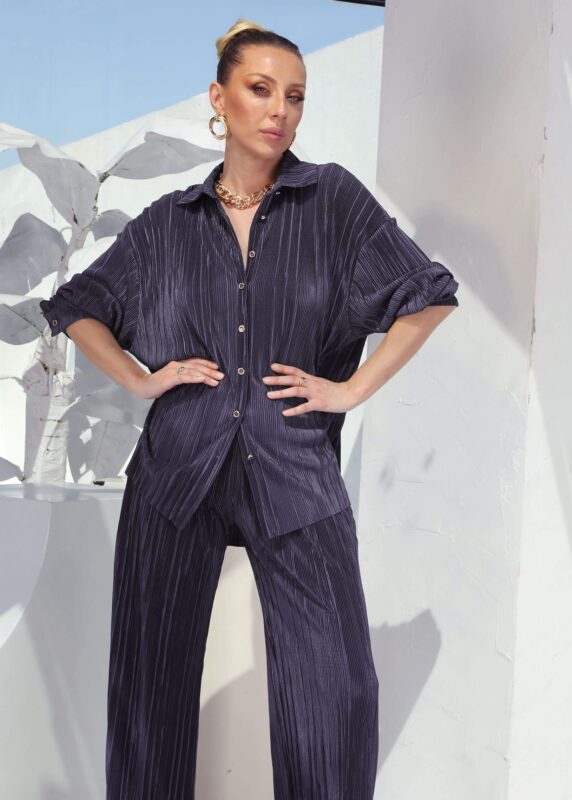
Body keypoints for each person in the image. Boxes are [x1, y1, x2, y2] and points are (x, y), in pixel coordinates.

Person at [39, 18, 460, 800]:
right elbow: (77, 305)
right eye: (261, 90)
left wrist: (349, 390)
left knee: (334, 695)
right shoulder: (168, 223)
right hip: (175, 479)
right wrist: (141, 380)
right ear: (218, 97)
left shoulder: (332, 200)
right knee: (149, 696)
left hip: (296, 474)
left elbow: (428, 294)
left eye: (294, 96)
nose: (279, 111)